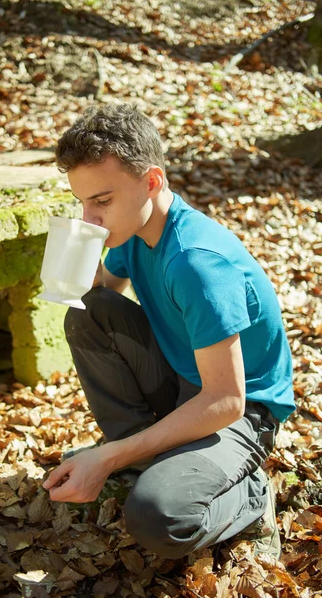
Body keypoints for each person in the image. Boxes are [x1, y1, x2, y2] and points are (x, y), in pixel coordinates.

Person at [43, 103, 295, 559]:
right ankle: (141, 454)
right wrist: (78, 257)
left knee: (159, 518)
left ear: (152, 181)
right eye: (82, 202)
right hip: (182, 378)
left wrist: (108, 456)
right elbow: (103, 299)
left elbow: (226, 400)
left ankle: (250, 501)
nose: (91, 216)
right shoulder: (135, 231)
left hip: (241, 411)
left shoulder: (197, 263)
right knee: (89, 313)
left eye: (101, 201)